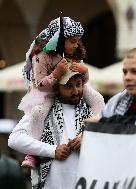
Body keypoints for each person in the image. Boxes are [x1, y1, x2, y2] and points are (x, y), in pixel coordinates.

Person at [18, 17, 105, 168]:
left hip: (72, 84)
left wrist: (84, 71)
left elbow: (83, 80)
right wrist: (56, 74)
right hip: (48, 92)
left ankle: (100, 127)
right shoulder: (41, 56)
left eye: (77, 41)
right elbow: (40, 85)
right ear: (58, 40)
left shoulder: (74, 53)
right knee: (38, 113)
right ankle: (32, 153)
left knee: (97, 98)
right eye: (72, 41)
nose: (76, 45)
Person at [8, 70, 95, 189]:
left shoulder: (92, 112)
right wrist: (52, 150)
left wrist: (87, 141)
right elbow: (14, 139)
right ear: (56, 88)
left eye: (78, 84)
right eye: (68, 86)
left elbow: (108, 144)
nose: (75, 91)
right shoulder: (41, 110)